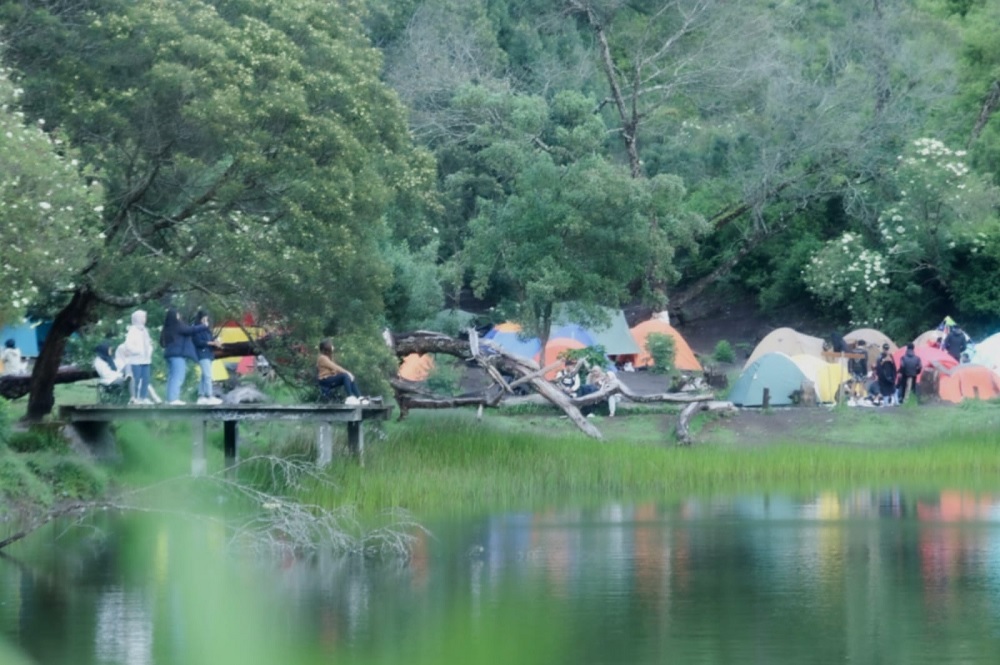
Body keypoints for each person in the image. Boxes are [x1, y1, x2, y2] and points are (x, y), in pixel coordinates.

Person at [161, 308, 206, 405]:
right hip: (177, 355)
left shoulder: (167, 327)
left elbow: (161, 342)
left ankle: (169, 399)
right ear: (174, 316)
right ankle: (173, 399)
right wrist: (203, 326)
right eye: (177, 314)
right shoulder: (177, 325)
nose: (179, 316)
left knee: (172, 377)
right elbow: (191, 330)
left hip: (169, 355)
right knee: (178, 376)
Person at [117, 310, 155, 404]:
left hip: (146, 359)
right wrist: (138, 351)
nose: (144, 319)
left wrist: (149, 350)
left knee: (146, 378)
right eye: (142, 317)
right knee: (136, 379)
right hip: (136, 360)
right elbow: (128, 345)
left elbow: (149, 343)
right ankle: (135, 398)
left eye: (145, 317)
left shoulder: (145, 330)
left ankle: (144, 397)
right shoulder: (132, 330)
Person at [317, 338, 365, 404]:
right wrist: (347, 372)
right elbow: (335, 367)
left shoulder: (329, 358)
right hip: (324, 380)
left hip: (329, 378)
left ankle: (360, 397)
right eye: (331, 345)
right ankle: (350, 398)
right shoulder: (322, 358)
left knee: (350, 377)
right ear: (327, 348)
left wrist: (348, 374)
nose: (333, 347)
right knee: (345, 375)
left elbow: (334, 369)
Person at [191, 310, 222, 405]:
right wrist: (211, 343)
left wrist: (216, 342)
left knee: (204, 376)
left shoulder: (207, 329)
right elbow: (198, 342)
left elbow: (211, 338)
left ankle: (201, 395)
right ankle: (209, 395)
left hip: (209, 353)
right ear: (200, 319)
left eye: (206, 319)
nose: (206, 320)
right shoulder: (196, 328)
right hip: (202, 353)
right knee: (208, 375)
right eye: (204, 318)